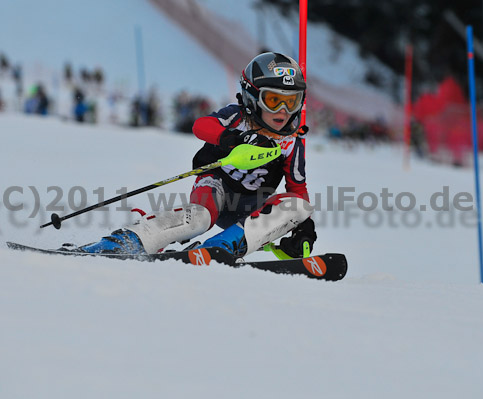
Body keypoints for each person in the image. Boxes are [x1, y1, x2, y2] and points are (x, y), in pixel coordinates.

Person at [75, 52, 317, 258]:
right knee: (200, 218)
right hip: (216, 187)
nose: (284, 111)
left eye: (292, 102)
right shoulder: (237, 118)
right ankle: (130, 240)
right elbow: (201, 126)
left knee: (299, 206)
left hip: (251, 208)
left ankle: (221, 248)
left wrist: (303, 225)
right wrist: (230, 138)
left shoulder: (291, 143)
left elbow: (297, 188)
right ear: (252, 97)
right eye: (274, 100)